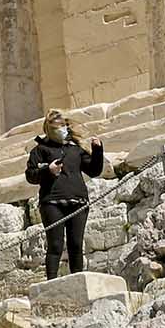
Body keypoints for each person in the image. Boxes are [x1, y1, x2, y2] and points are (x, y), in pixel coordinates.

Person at [24, 110, 106, 278]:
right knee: (55, 245)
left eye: (64, 126)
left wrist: (97, 151)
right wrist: (48, 170)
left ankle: (78, 280)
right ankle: (51, 282)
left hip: (78, 202)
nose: (62, 130)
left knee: (76, 244)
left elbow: (94, 170)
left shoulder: (75, 149)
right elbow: (30, 175)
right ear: (49, 130)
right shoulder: (40, 150)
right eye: (58, 127)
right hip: (52, 203)